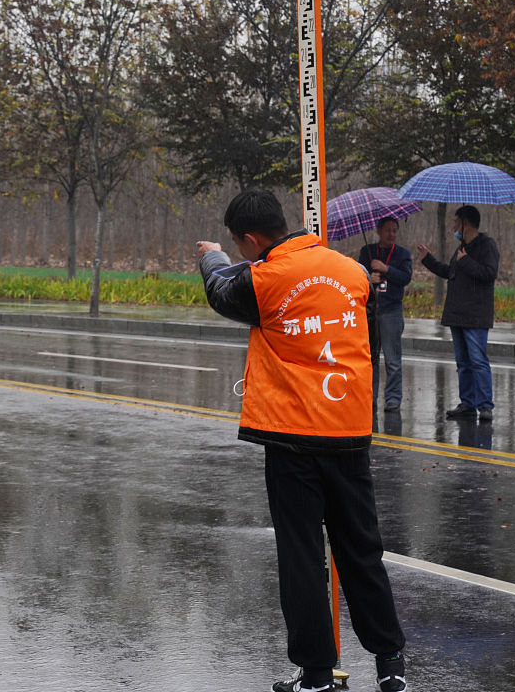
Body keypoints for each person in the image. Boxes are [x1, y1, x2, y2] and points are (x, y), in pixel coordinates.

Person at [196, 189, 406, 692]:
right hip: (349, 430)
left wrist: (212, 259)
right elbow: (369, 343)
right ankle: (391, 664)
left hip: (293, 438)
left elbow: (223, 292)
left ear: (250, 239)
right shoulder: (351, 273)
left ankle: (316, 673)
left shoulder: (264, 279)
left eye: (238, 245)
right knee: (361, 551)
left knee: (302, 555)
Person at [418, 204, 500, 422]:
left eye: (456, 222)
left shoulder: (486, 245)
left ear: (466, 224)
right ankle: (468, 403)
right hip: (456, 314)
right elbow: (449, 271)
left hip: (475, 316)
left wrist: (467, 261)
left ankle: (485, 406)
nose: (453, 226)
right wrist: (428, 259)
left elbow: (489, 274)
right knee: (462, 362)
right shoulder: (461, 247)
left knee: (477, 361)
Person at [359, 217, 414, 412]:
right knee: (370, 358)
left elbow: (405, 277)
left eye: (394, 230)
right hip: (372, 311)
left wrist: (386, 269)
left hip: (391, 310)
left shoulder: (402, 254)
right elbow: (357, 276)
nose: (391, 234)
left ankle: (392, 399)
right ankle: (369, 398)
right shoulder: (367, 252)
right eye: (388, 230)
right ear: (379, 231)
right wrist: (368, 278)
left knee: (392, 359)